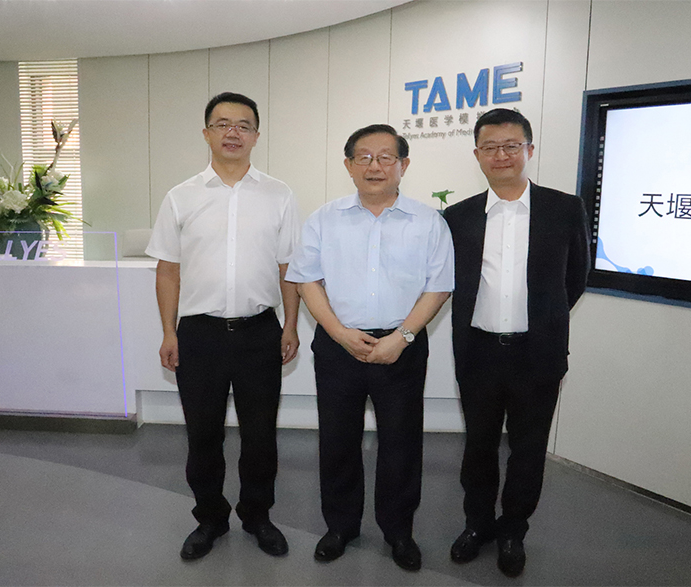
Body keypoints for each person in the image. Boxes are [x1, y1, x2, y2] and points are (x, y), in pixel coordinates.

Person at [286, 124, 453, 571]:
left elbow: (438, 287)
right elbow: (306, 280)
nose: (374, 166)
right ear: (348, 165)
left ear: (404, 165)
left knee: (401, 443)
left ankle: (399, 531)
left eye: (385, 157)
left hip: (403, 345)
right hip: (339, 344)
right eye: (363, 157)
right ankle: (340, 526)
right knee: (337, 440)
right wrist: (339, 333)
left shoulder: (428, 222)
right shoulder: (324, 219)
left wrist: (402, 337)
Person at [146, 92, 300, 561]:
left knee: (260, 436)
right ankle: (210, 518)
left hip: (260, 332)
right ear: (207, 133)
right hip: (199, 334)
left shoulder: (279, 194)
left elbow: (289, 268)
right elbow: (168, 271)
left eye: (243, 125)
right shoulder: (181, 196)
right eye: (222, 123)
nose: (233, 132)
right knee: (203, 435)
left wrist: (291, 325)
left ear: (256, 135)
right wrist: (169, 331)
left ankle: (257, 515)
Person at [442, 108, 590, 577]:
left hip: (537, 353)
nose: (501, 155)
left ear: (529, 149)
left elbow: (576, 279)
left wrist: (542, 321)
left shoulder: (564, 209)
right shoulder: (458, 216)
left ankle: (513, 531)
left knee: (528, 450)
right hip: (478, 352)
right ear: (477, 155)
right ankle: (477, 525)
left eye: (511, 146)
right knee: (478, 447)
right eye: (490, 147)